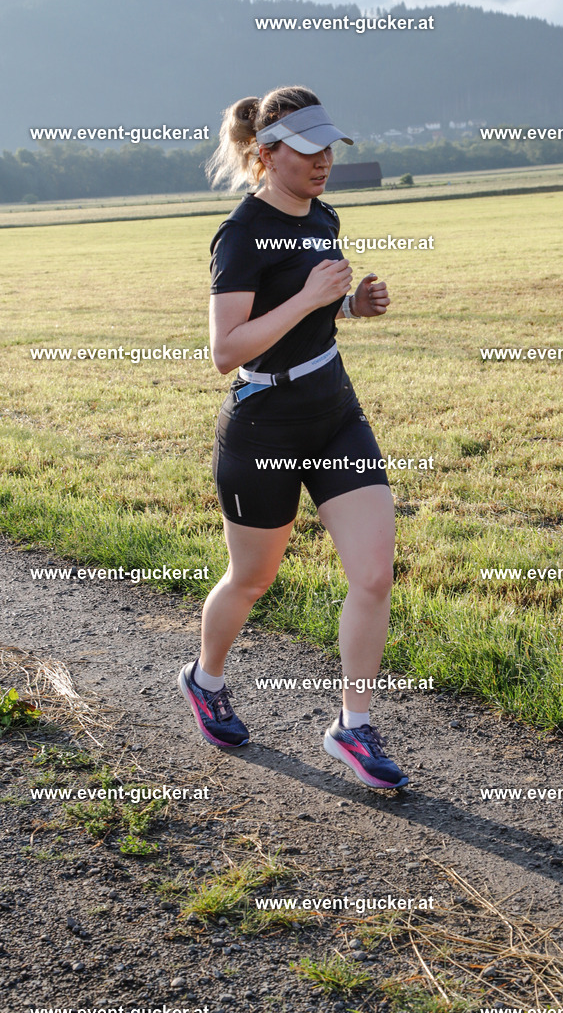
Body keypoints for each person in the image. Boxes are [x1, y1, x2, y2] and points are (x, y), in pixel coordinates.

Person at [177, 86, 408, 789]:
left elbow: (311, 314)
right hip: (263, 425)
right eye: (308, 150)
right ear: (268, 152)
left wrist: (348, 305)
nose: (324, 161)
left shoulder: (325, 216)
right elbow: (228, 349)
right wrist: (312, 296)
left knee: (372, 573)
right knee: (254, 579)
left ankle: (353, 726)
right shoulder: (241, 234)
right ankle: (206, 678)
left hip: (334, 413)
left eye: (329, 146)